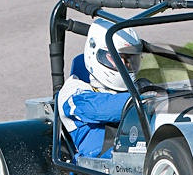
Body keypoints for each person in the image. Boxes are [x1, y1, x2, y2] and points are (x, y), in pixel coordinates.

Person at [57, 18, 142, 159]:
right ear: (95, 53)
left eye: (131, 60)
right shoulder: (73, 90)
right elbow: (98, 108)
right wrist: (146, 100)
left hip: (141, 155)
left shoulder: (136, 87)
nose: (126, 66)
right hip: (100, 169)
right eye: (120, 59)